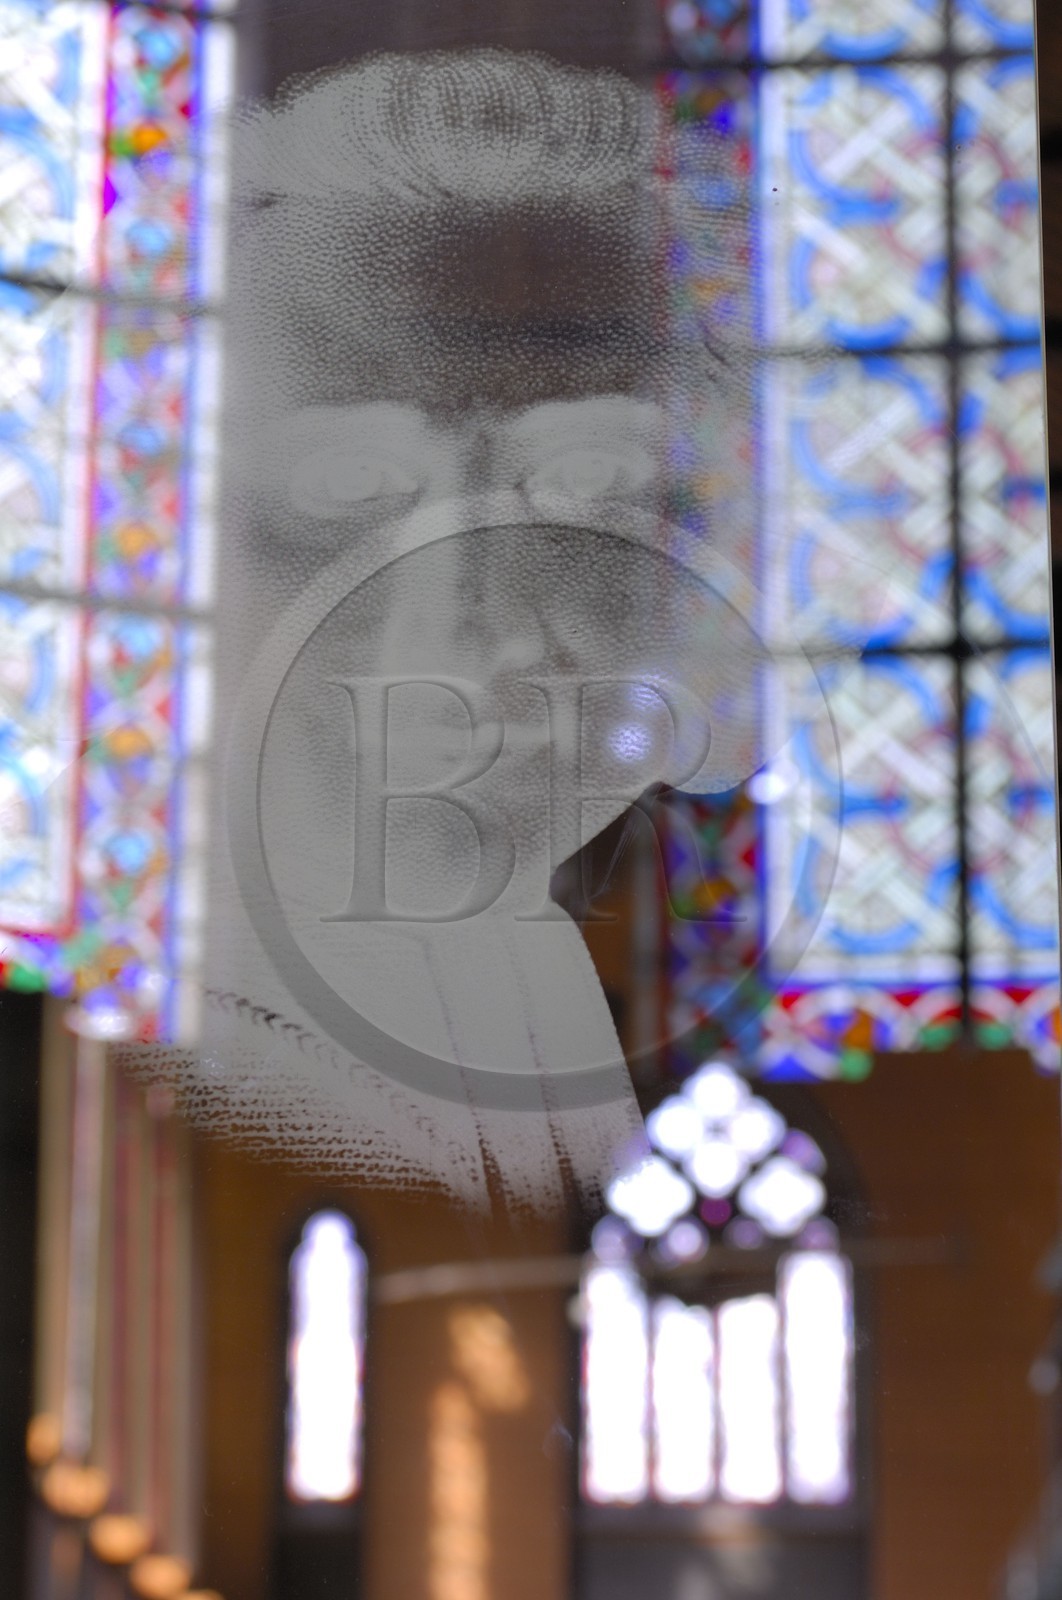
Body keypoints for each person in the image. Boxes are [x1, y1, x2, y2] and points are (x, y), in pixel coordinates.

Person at [173, 49, 788, 1208]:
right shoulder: (195, 1039)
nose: (475, 635)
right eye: (350, 484)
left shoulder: (517, 984)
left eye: (591, 475)